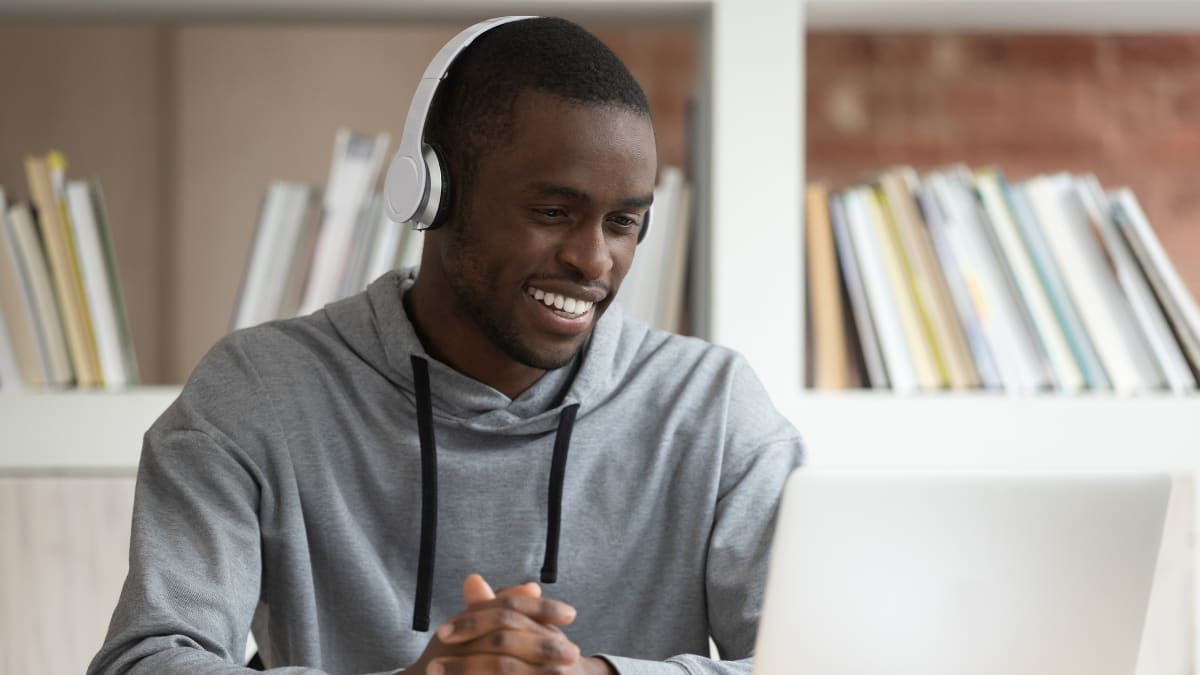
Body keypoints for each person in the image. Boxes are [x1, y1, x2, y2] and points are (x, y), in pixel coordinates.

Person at [89, 16, 803, 675]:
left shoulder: (711, 408)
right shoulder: (258, 392)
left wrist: (597, 674)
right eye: (553, 212)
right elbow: (144, 659)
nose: (594, 260)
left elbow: (833, 657)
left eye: (623, 222)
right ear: (431, 195)